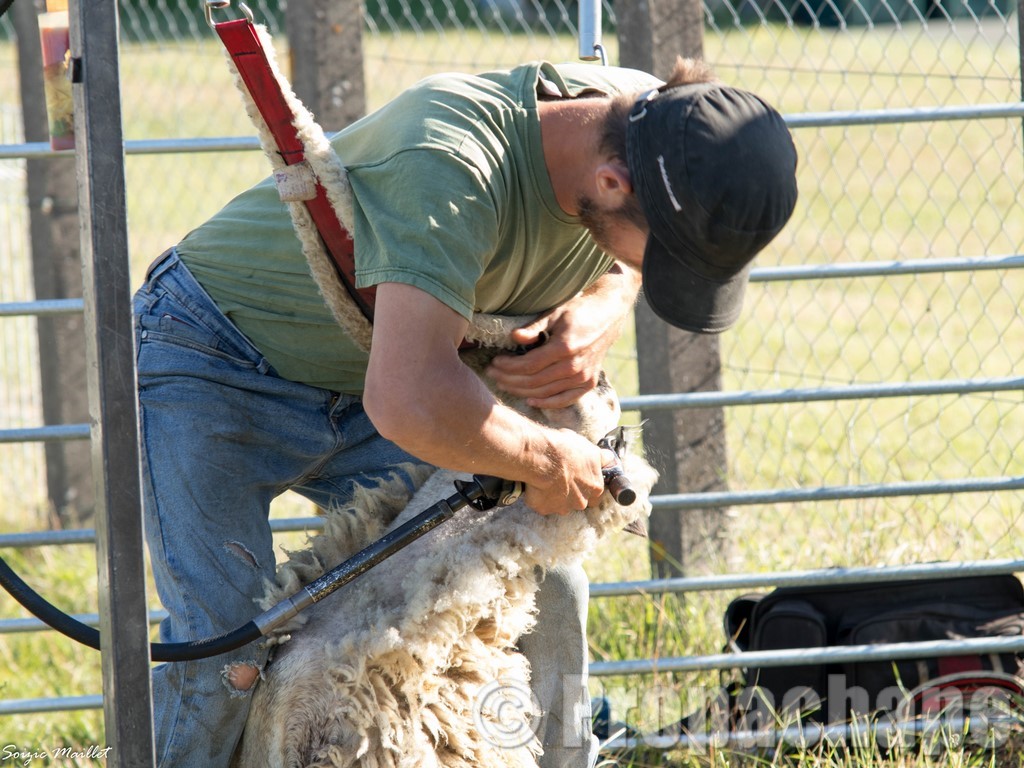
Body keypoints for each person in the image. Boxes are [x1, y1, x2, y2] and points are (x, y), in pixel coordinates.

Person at [133, 55, 797, 767]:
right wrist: (548, 457)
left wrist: (604, 302)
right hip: (216, 357)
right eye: (665, 260)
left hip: (382, 367)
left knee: (543, 580)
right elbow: (410, 395)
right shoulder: (451, 166)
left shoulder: (649, 118)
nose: (658, 273)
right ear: (611, 184)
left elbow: (613, 263)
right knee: (224, 648)